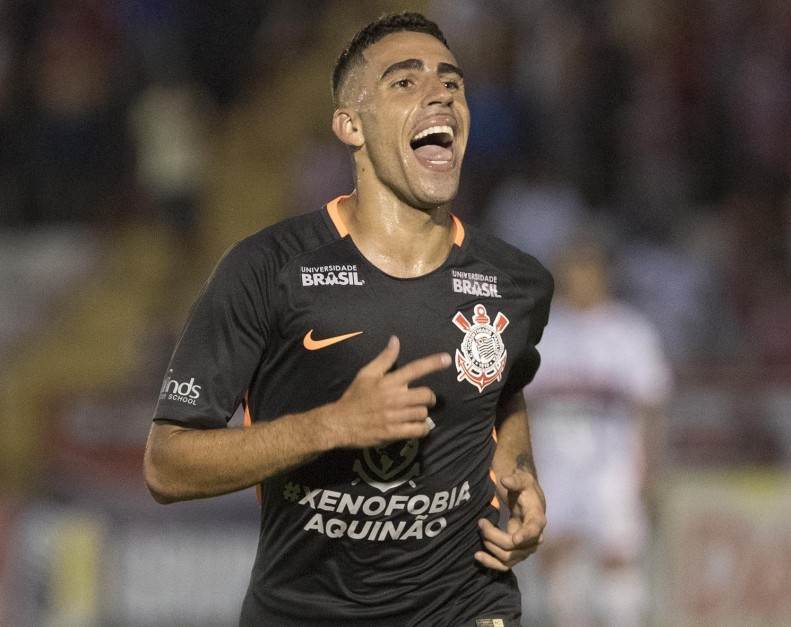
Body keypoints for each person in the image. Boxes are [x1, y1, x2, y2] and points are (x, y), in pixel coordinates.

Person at [143, 12, 553, 627]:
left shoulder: (516, 283)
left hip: (466, 607)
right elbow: (167, 465)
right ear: (350, 125)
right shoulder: (267, 269)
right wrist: (333, 424)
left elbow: (502, 387)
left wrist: (517, 471)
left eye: (452, 82)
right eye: (404, 82)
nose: (440, 93)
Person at [521, 227, 672, 627]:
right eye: (570, 270)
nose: (577, 279)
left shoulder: (630, 332)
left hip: (614, 468)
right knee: (556, 562)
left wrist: (652, 472)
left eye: (585, 269)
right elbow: (521, 408)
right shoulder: (544, 335)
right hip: (557, 466)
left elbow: (652, 408)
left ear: (603, 273)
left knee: (618, 565)